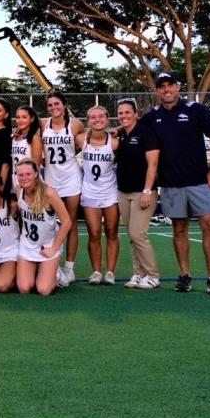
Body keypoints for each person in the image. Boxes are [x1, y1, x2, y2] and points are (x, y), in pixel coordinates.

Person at [143, 72, 210, 296]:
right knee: (179, 229)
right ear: (157, 90)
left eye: (170, 85)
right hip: (171, 183)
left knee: (209, 224)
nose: (167, 89)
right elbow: (133, 127)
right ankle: (185, 275)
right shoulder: (152, 116)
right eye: (162, 86)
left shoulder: (194, 109)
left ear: (178, 87)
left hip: (200, 180)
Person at [115, 97, 161, 289]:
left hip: (142, 192)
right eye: (120, 113)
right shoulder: (121, 135)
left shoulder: (146, 133)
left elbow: (153, 164)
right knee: (132, 235)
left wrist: (147, 191)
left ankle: (153, 275)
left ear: (135, 114)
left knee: (137, 234)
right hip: (123, 192)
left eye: (127, 112)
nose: (123, 116)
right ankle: (138, 273)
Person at [41, 91, 84, 286]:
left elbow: (82, 144)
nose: (53, 108)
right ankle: (52, 262)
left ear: (64, 104)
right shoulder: (43, 124)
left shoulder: (75, 125)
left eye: (56, 104)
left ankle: (70, 267)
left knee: (71, 222)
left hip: (72, 178)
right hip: (51, 179)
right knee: (49, 222)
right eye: (50, 105)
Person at [15, 159, 72, 296]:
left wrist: (54, 248)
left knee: (43, 289)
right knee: (24, 288)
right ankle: (40, 270)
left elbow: (67, 222)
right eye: (20, 175)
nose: (24, 178)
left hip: (47, 246)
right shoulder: (19, 190)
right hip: (28, 245)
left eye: (28, 174)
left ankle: (56, 273)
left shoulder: (49, 193)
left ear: (36, 174)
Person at [77, 106, 120, 285]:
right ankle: (96, 271)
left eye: (101, 116)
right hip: (90, 193)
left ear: (108, 119)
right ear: (88, 121)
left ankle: (110, 272)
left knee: (111, 232)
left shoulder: (115, 142)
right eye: (93, 117)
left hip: (110, 192)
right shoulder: (81, 139)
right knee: (94, 233)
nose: (97, 120)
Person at [11, 106, 43, 190]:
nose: (20, 120)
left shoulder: (34, 138)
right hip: (15, 179)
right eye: (18, 117)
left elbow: (35, 166)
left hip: (28, 181)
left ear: (32, 119)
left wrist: (32, 187)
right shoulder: (15, 137)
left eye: (24, 117)